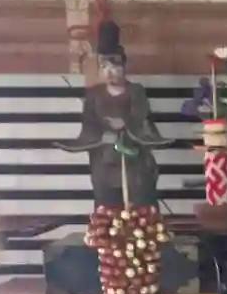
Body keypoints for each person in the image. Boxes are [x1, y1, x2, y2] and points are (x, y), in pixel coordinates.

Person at [57, 20, 163, 209]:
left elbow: (142, 122)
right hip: (104, 162)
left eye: (114, 67)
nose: (109, 72)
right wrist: (102, 136)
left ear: (124, 66)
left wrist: (125, 126)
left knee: (140, 209)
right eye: (104, 67)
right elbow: (89, 127)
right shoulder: (94, 95)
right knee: (107, 210)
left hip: (134, 163)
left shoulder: (136, 92)